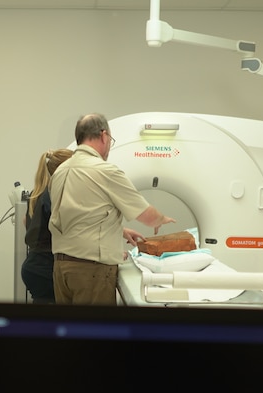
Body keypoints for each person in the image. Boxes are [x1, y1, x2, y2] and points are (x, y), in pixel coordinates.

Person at [48, 113, 176, 305]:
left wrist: (120, 230)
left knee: (70, 331)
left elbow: (77, 215)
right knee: (94, 332)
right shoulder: (105, 171)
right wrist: (162, 218)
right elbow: (147, 217)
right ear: (104, 136)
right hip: (91, 271)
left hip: (61, 269)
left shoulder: (60, 171)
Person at [21, 148, 73, 304]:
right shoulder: (53, 196)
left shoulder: (37, 193)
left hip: (33, 265)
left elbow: (25, 221)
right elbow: (69, 229)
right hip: (45, 269)